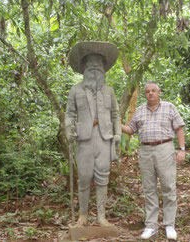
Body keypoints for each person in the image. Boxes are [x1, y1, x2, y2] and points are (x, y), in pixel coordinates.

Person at [65, 41, 121, 227]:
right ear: (84, 68)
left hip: (104, 137)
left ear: (104, 69)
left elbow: (115, 114)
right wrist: (68, 129)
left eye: (98, 65)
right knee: (84, 177)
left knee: (103, 177)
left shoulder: (109, 91)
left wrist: (118, 133)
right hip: (84, 138)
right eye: (91, 65)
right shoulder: (76, 90)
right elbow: (70, 114)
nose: (95, 68)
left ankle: (101, 216)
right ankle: (82, 216)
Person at [122, 82, 185, 240]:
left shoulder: (169, 107)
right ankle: (151, 226)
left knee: (168, 186)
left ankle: (169, 224)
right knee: (149, 189)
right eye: (147, 91)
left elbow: (179, 128)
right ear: (145, 94)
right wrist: (116, 124)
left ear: (159, 92)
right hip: (145, 151)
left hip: (165, 148)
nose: (150, 93)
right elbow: (131, 129)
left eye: (153, 91)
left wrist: (182, 150)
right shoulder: (139, 111)